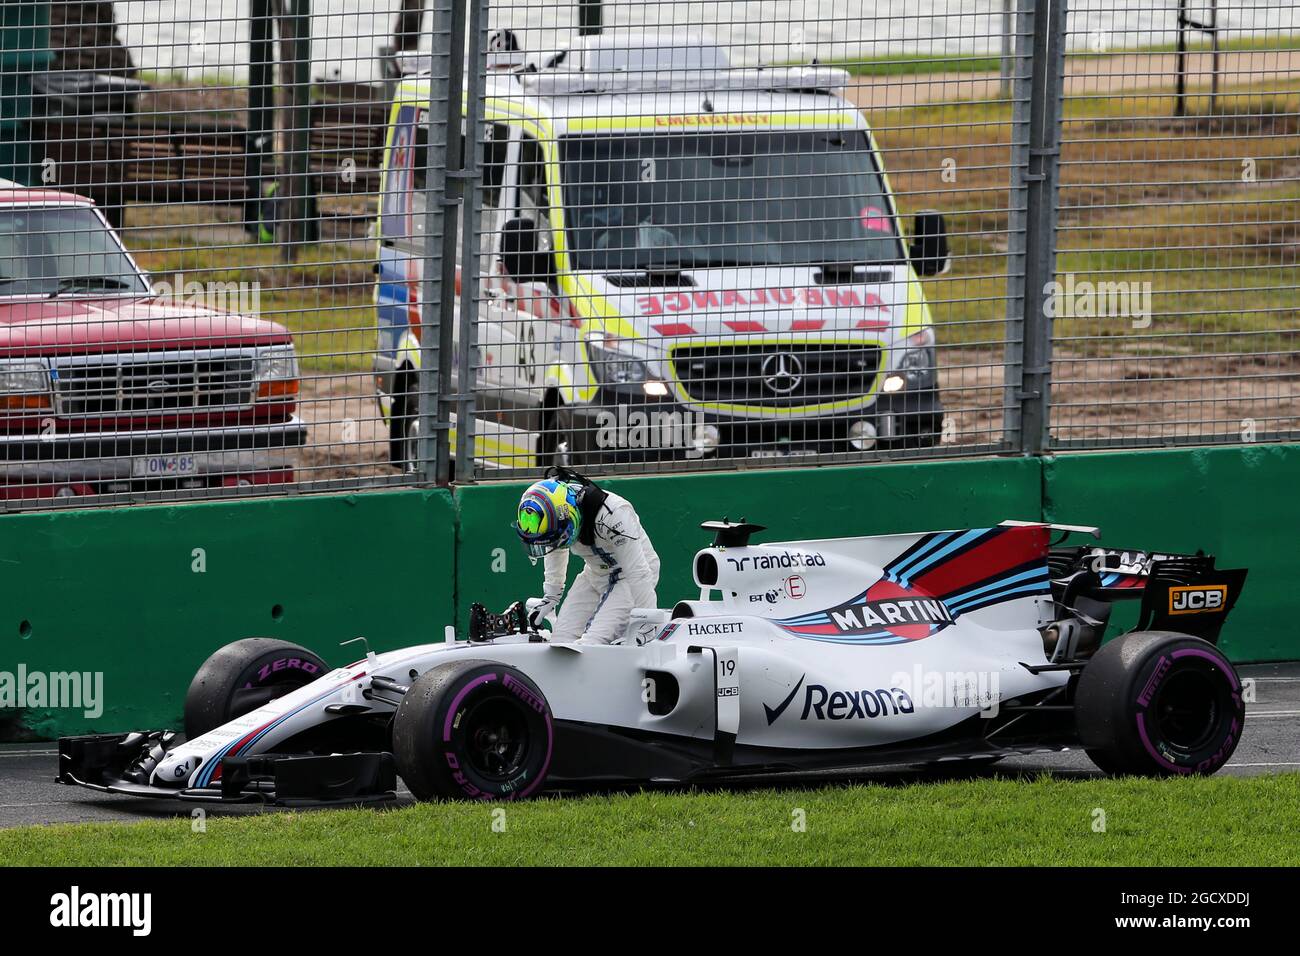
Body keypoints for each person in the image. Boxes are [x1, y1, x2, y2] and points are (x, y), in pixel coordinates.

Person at [513, 468, 660, 644]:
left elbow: (639, 572)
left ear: (570, 519)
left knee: (592, 644)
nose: (553, 544)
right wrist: (551, 597)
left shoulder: (614, 514)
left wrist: (648, 628)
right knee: (560, 642)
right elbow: (555, 547)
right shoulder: (559, 520)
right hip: (594, 574)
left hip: (629, 577)